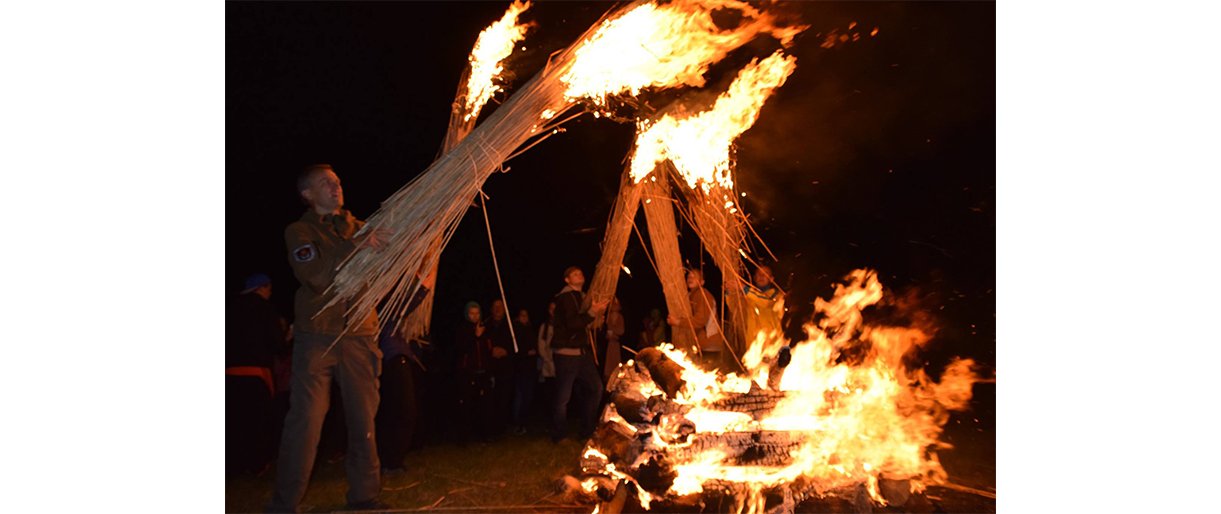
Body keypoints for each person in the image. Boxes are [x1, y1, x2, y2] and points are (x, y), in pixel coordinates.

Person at [270, 164, 395, 513]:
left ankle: (364, 496)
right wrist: (357, 246)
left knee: (363, 418)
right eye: (325, 182)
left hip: (360, 333)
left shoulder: (362, 227)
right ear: (307, 194)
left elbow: (387, 263)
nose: (335, 185)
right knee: (306, 422)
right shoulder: (299, 232)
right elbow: (318, 276)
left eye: (338, 180)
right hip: (317, 337)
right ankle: (284, 503)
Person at [227, 273, 289, 475]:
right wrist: (286, 339)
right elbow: (276, 343)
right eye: (269, 289)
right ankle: (256, 464)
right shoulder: (264, 309)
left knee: (233, 420)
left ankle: (232, 464)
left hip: (227, 373)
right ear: (262, 287)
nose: (270, 293)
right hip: (256, 373)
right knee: (257, 420)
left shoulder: (230, 308)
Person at [375, 282, 433, 475]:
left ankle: (390, 461)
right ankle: (392, 461)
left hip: (393, 361)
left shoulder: (383, 310)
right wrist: (424, 281)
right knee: (405, 411)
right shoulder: (383, 309)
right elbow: (411, 301)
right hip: (393, 360)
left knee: (395, 411)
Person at [550, 266, 608, 442]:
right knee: (563, 397)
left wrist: (596, 318)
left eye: (580, 272)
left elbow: (583, 325)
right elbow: (572, 323)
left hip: (582, 354)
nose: (579, 275)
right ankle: (559, 434)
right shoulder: (565, 298)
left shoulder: (582, 297)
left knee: (596, 388)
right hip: (566, 354)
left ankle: (587, 430)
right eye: (574, 274)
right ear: (567, 280)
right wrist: (592, 313)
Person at [668, 269, 726, 371]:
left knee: (706, 378)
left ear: (702, 282)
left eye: (694, 277)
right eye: (688, 277)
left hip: (709, 344)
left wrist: (678, 322)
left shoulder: (702, 294)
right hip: (703, 344)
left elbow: (700, 320)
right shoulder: (693, 296)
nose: (690, 278)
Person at [454, 301, 496, 442]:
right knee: (467, 405)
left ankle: (484, 435)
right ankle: (464, 437)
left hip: (484, 372)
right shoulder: (462, 329)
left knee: (484, 405)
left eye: (477, 313)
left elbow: (488, 350)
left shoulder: (485, 329)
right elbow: (462, 349)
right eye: (471, 313)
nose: (474, 316)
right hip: (468, 372)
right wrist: (475, 336)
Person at [483, 299, 515, 436]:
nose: (497, 309)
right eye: (495, 306)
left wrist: (506, 351)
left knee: (504, 398)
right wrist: (491, 351)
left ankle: (502, 428)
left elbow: (517, 345)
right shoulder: (485, 325)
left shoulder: (511, 325)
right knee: (490, 399)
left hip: (506, 368)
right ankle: (489, 428)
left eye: (500, 306)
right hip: (489, 367)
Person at [743, 265, 784, 350]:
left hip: (772, 346)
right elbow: (735, 307)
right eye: (758, 274)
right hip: (753, 347)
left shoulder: (778, 296)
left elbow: (766, 302)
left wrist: (744, 288)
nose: (761, 276)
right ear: (754, 278)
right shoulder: (749, 297)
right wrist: (730, 292)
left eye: (765, 274)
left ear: (771, 279)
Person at [510, 308, 537, 435]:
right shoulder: (515, 330)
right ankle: (517, 423)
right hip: (520, 368)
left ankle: (524, 423)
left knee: (528, 396)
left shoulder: (530, 329)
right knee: (519, 396)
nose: (524, 318)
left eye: (526, 315)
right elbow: (515, 350)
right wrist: (526, 352)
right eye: (522, 315)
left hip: (530, 369)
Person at [602, 297, 626, 382]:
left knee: (615, 363)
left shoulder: (620, 317)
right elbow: (604, 330)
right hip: (608, 345)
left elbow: (621, 331)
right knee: (608, 365)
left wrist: (613, 332)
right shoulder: (607, 317)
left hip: (616, 344)